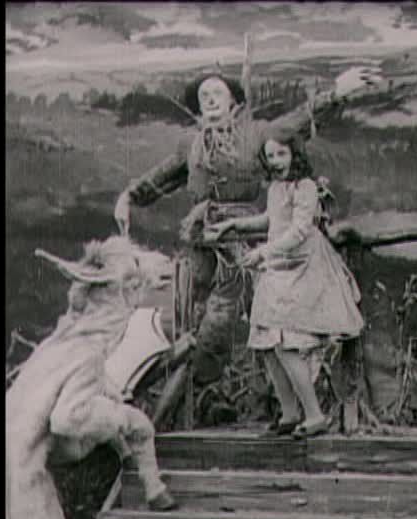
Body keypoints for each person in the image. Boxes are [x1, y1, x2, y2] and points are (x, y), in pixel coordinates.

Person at [113, 73, 351, 386]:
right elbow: (162, 176)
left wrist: (336, 94)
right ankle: (195, 392)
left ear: (233, 100)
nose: (210, 99)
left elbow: (294, 123)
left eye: (217, 93)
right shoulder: (192, 144)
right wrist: (128, 197)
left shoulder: (256, 134)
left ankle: (262, 391)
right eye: (204, 96)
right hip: (200, 240)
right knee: (181, 316)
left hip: (243, 242)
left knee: (231, 318)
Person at [207, 129, 364, 438]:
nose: (276, 160)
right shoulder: (277, 188)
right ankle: (290, 413)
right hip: (279, 267)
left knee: (286, 342)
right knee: (267, 342)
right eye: (270, 155)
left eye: (282, 153)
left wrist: (263, 252)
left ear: (295, 155)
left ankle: (315, 415)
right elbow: (272, 219)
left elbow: (299, 231)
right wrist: (234, 224)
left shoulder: (305, 187)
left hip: (304, 267)